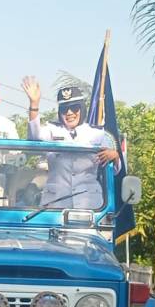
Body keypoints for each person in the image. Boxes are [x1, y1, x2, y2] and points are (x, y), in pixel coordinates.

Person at [21, 77, 119, 209]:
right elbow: (33, 138)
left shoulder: (98, 134)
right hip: (55, 204)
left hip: (89, 206)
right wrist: (34, 104)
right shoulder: (52, 130)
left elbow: (115, 171)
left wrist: (116, 156)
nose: (69, 113)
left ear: (82, 109)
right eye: (64, 109)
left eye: (74, 108)